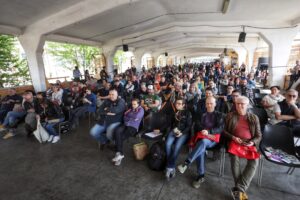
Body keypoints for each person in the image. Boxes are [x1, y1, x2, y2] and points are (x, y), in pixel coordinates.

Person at [177, 97, 225, 188]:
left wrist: (209, 132)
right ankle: (200, 176)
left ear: (215, 104)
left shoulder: (220, 115)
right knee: (201, 146)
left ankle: (187, 163)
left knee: (202, 143)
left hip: (213, 138)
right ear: (205, 104)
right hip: (202, 135)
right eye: (207, 103)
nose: (209, 105)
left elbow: (220, 128)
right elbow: (197, 124)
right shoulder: (201, 114)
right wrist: (203, 130)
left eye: (211, 103)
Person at [224, 96, 262, 200]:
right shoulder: (230, 116)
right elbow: (224, 132)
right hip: (235, 141)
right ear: (235, 104)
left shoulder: (254, 117)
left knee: (254, 161)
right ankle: (240, 191)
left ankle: (239, 189)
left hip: (249, 143)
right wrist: (233, 137)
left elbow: (259, 135)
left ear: (247, 105)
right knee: (234, 158)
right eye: (237, 103)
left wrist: (252, 142)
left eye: (242, 104)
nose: (240, 105)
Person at [165, 98, 192, 180]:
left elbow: (189, 126)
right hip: (174, 131)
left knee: (177, 147)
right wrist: (171, 131)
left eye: (179, 103)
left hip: (184, 132)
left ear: (183, 105)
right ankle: (171, 164)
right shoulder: (174, 112)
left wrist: (182, 133)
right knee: (167, 144)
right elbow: (171, 124)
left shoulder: (188, 113)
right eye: (176, 103)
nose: (177, 105)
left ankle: (169, 167)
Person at [112, 98, 144, 166]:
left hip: (133, 127)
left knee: (120, 138)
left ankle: (119, 154)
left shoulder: (141, 110)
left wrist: (129, 117)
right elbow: (124, 116)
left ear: (138, 104)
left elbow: (137, 116)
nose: (133, 106)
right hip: (125, 124)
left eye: (135, 104)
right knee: (117, 131)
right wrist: (131, 118)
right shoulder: (130, 109)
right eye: (132, 104)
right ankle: (120, 154)